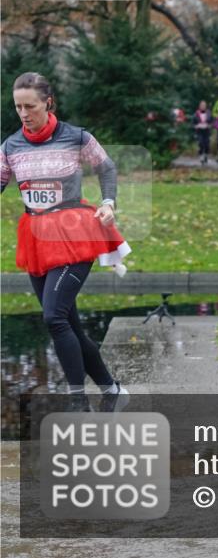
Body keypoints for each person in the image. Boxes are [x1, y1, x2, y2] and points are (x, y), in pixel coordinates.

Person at [1, 72, 130, 412]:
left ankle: (78, 403)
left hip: (75, 235)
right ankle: (112, 389)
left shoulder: (77, 137)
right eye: (18, 107)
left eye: (30, 106)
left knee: (53, 317)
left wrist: (108, 202)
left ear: (48, 102)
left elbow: (107, 168)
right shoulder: (11, 146)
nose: (24, 113)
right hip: (37, 240)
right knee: (67, 322)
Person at [192, 100, 213, 165]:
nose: (203, 106)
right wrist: (196, 126)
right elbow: (193, 123)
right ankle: (201, 157)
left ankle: (206, 156)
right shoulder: (196, 113)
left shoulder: (209, 113)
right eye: (202, 105)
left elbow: (213, 121)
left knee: (207, 144)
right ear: (199, 106)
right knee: (201, 143)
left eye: (204, 105)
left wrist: (210, 125)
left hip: (207, 131)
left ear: (206, 106)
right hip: (199, 131)